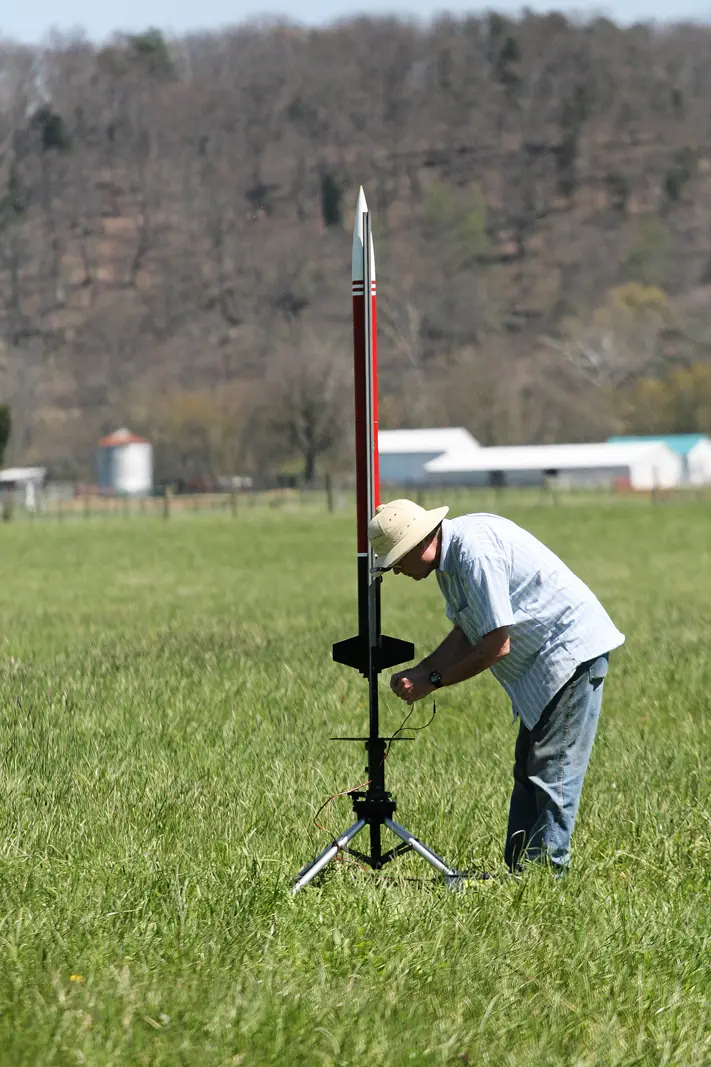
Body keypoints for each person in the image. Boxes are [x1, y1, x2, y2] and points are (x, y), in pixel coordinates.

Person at [367, 498, 625, 872]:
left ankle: (545, 879)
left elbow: (495, 645)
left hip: (569, 655)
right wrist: (423, 670)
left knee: (552, 772)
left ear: (419, 543)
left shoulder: (474, 554)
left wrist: (434, 681)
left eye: (397, 561)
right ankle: (520, 871)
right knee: (528, 771)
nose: (397, 571)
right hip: (544, 665)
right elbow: (467, 631)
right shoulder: (449, 563)